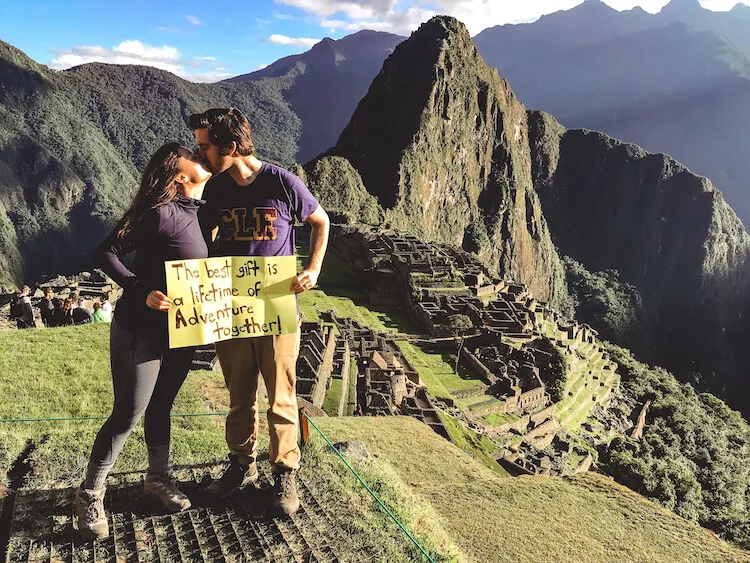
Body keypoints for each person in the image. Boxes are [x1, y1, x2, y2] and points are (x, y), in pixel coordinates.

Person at [190, 108, 330, 516]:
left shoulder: (283, 183)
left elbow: (321, 221)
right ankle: (240, 464)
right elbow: (199, 233)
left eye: (206, 148)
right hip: (231, 305)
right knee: (239, 395)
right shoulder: (215, 189)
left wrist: (313, 269)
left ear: (230, 147)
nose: (202, 156)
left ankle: (284, 472)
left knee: (281, 396)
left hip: (276, 305)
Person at [74, 143, 212, 540]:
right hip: (141, 330)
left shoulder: (204, 214)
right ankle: (90, 493)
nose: (202, 158)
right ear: (179, 176)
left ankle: (157, 478)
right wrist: (140, 289)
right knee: (127, 414)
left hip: (182, 330)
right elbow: (106, 252)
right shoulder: (159, 215)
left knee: (162, 405)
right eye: (194, 158)